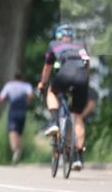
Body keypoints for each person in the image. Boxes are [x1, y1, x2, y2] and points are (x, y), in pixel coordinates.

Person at [37, 24, 91, 171]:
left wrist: (43, 83)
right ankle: (78, 157)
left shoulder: (54, 44)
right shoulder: (81, 45)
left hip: (65, 74)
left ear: (59, 36)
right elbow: (87, 64)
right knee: (78, 117)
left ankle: (54, 121)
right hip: (82, 77)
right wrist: (85, 81)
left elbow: (47, 67)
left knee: (51, 92)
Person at [0, 73, 34, 165]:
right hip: (23, 111)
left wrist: (8, 99)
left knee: (12, 132)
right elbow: (31, 95)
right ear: (21, 79)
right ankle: (19, 151)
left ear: (14, 78)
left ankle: (15, 150)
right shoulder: (26, 85)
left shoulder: (9, 85)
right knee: (19, 133)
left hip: (13, 110)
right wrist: (28, 102)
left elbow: (1, 98)